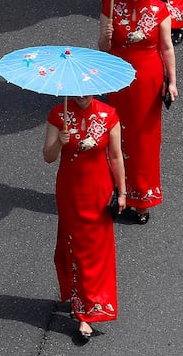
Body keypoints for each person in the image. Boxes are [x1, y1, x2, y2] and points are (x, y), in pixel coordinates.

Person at [43, 94, 126, 340]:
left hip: (99, 190)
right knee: (76, 248)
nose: (81, 97)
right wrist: (59, 142)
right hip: (70, 191)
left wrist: (122, 191)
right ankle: (83, 313)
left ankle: (90, 305)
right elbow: (48, 157)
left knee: (98, 251)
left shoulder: (108, 115)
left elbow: (115, 156)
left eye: (86, 92)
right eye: (76, 92)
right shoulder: (58, 115)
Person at [98, 0, 177, 224]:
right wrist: (105, 36)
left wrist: (172, 82)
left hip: (148, 81)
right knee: (116, 136)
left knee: (145, 140)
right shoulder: (111, 5)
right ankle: (117, 193)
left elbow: (166, 47)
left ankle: (143, 199)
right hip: (118, 77)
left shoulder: (159, 8)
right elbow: (103, 49)